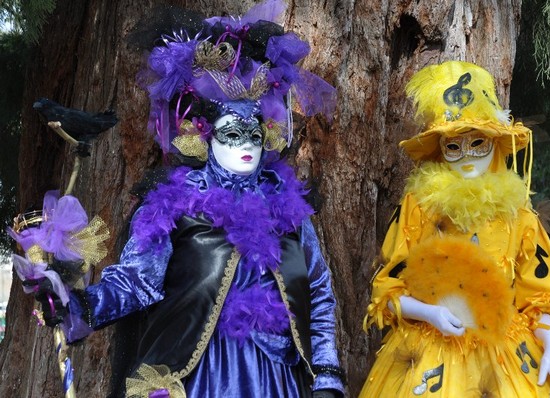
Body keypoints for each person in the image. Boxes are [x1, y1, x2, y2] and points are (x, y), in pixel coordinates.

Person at [26, 1, 345, 397]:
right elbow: (137, 281)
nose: (245, 144)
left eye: (253, 134)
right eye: (231, 134)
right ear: (206, 139)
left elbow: (317, 292)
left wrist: (327, 375)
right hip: (198, 375)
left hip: (277, 378)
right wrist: (78, 305)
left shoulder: (290, 211)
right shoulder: (175, 204)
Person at [360, 61, 550, 398]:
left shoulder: (518, 215)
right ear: (440, 150)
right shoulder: (420, 208)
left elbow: (539, 298)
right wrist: (429, 312)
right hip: (429, 354)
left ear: (495, 143)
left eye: (477, 142)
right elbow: (388, 289)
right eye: (453, 146)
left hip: (507, 356)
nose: (467, 155)